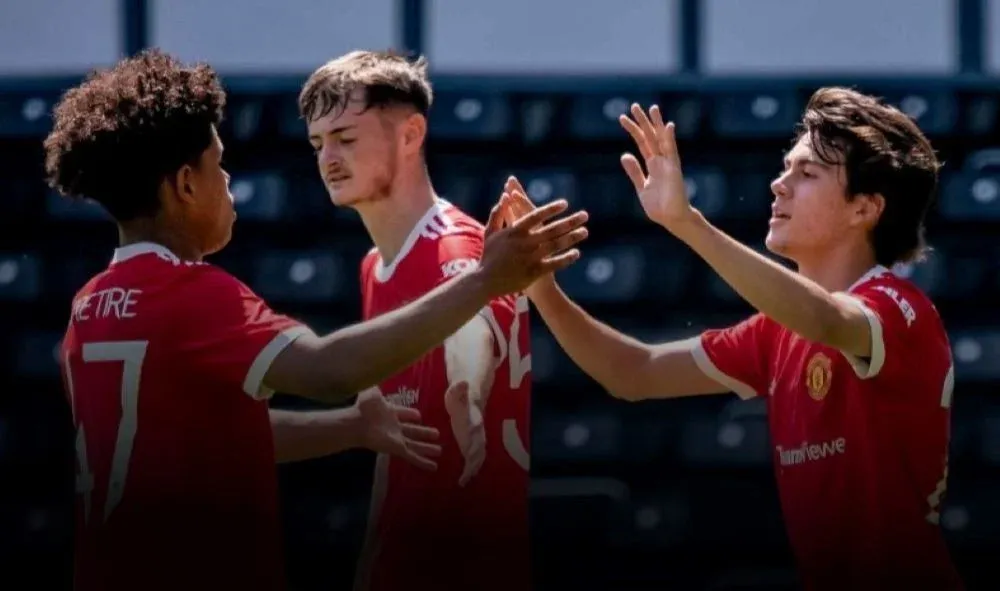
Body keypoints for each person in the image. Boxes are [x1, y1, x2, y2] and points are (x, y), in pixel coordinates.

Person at [45, 49, 588, 591]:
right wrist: (488, 280)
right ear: (186, 185)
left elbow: (211, 434)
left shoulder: (89, 306)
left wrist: (357, 425)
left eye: (345, 139)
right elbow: (330, 370)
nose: (229, 182)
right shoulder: (196, 295)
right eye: (219, 165)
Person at [502, 88, 962, 590]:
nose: (778, 185)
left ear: (864, 209)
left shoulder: (898, 308)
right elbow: (634, 373)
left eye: (806, 174)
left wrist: (687, 223)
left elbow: (827, 319)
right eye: (786, 168)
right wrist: (541, 289)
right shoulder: (779, 329)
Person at [296, 51, 536, 591]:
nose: (328, 158)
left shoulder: (456, 245)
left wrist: (466, 394)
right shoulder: (373, 266)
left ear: (410, 135)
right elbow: (393, 439)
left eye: (346, 138)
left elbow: (472, 334)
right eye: (318, 144)